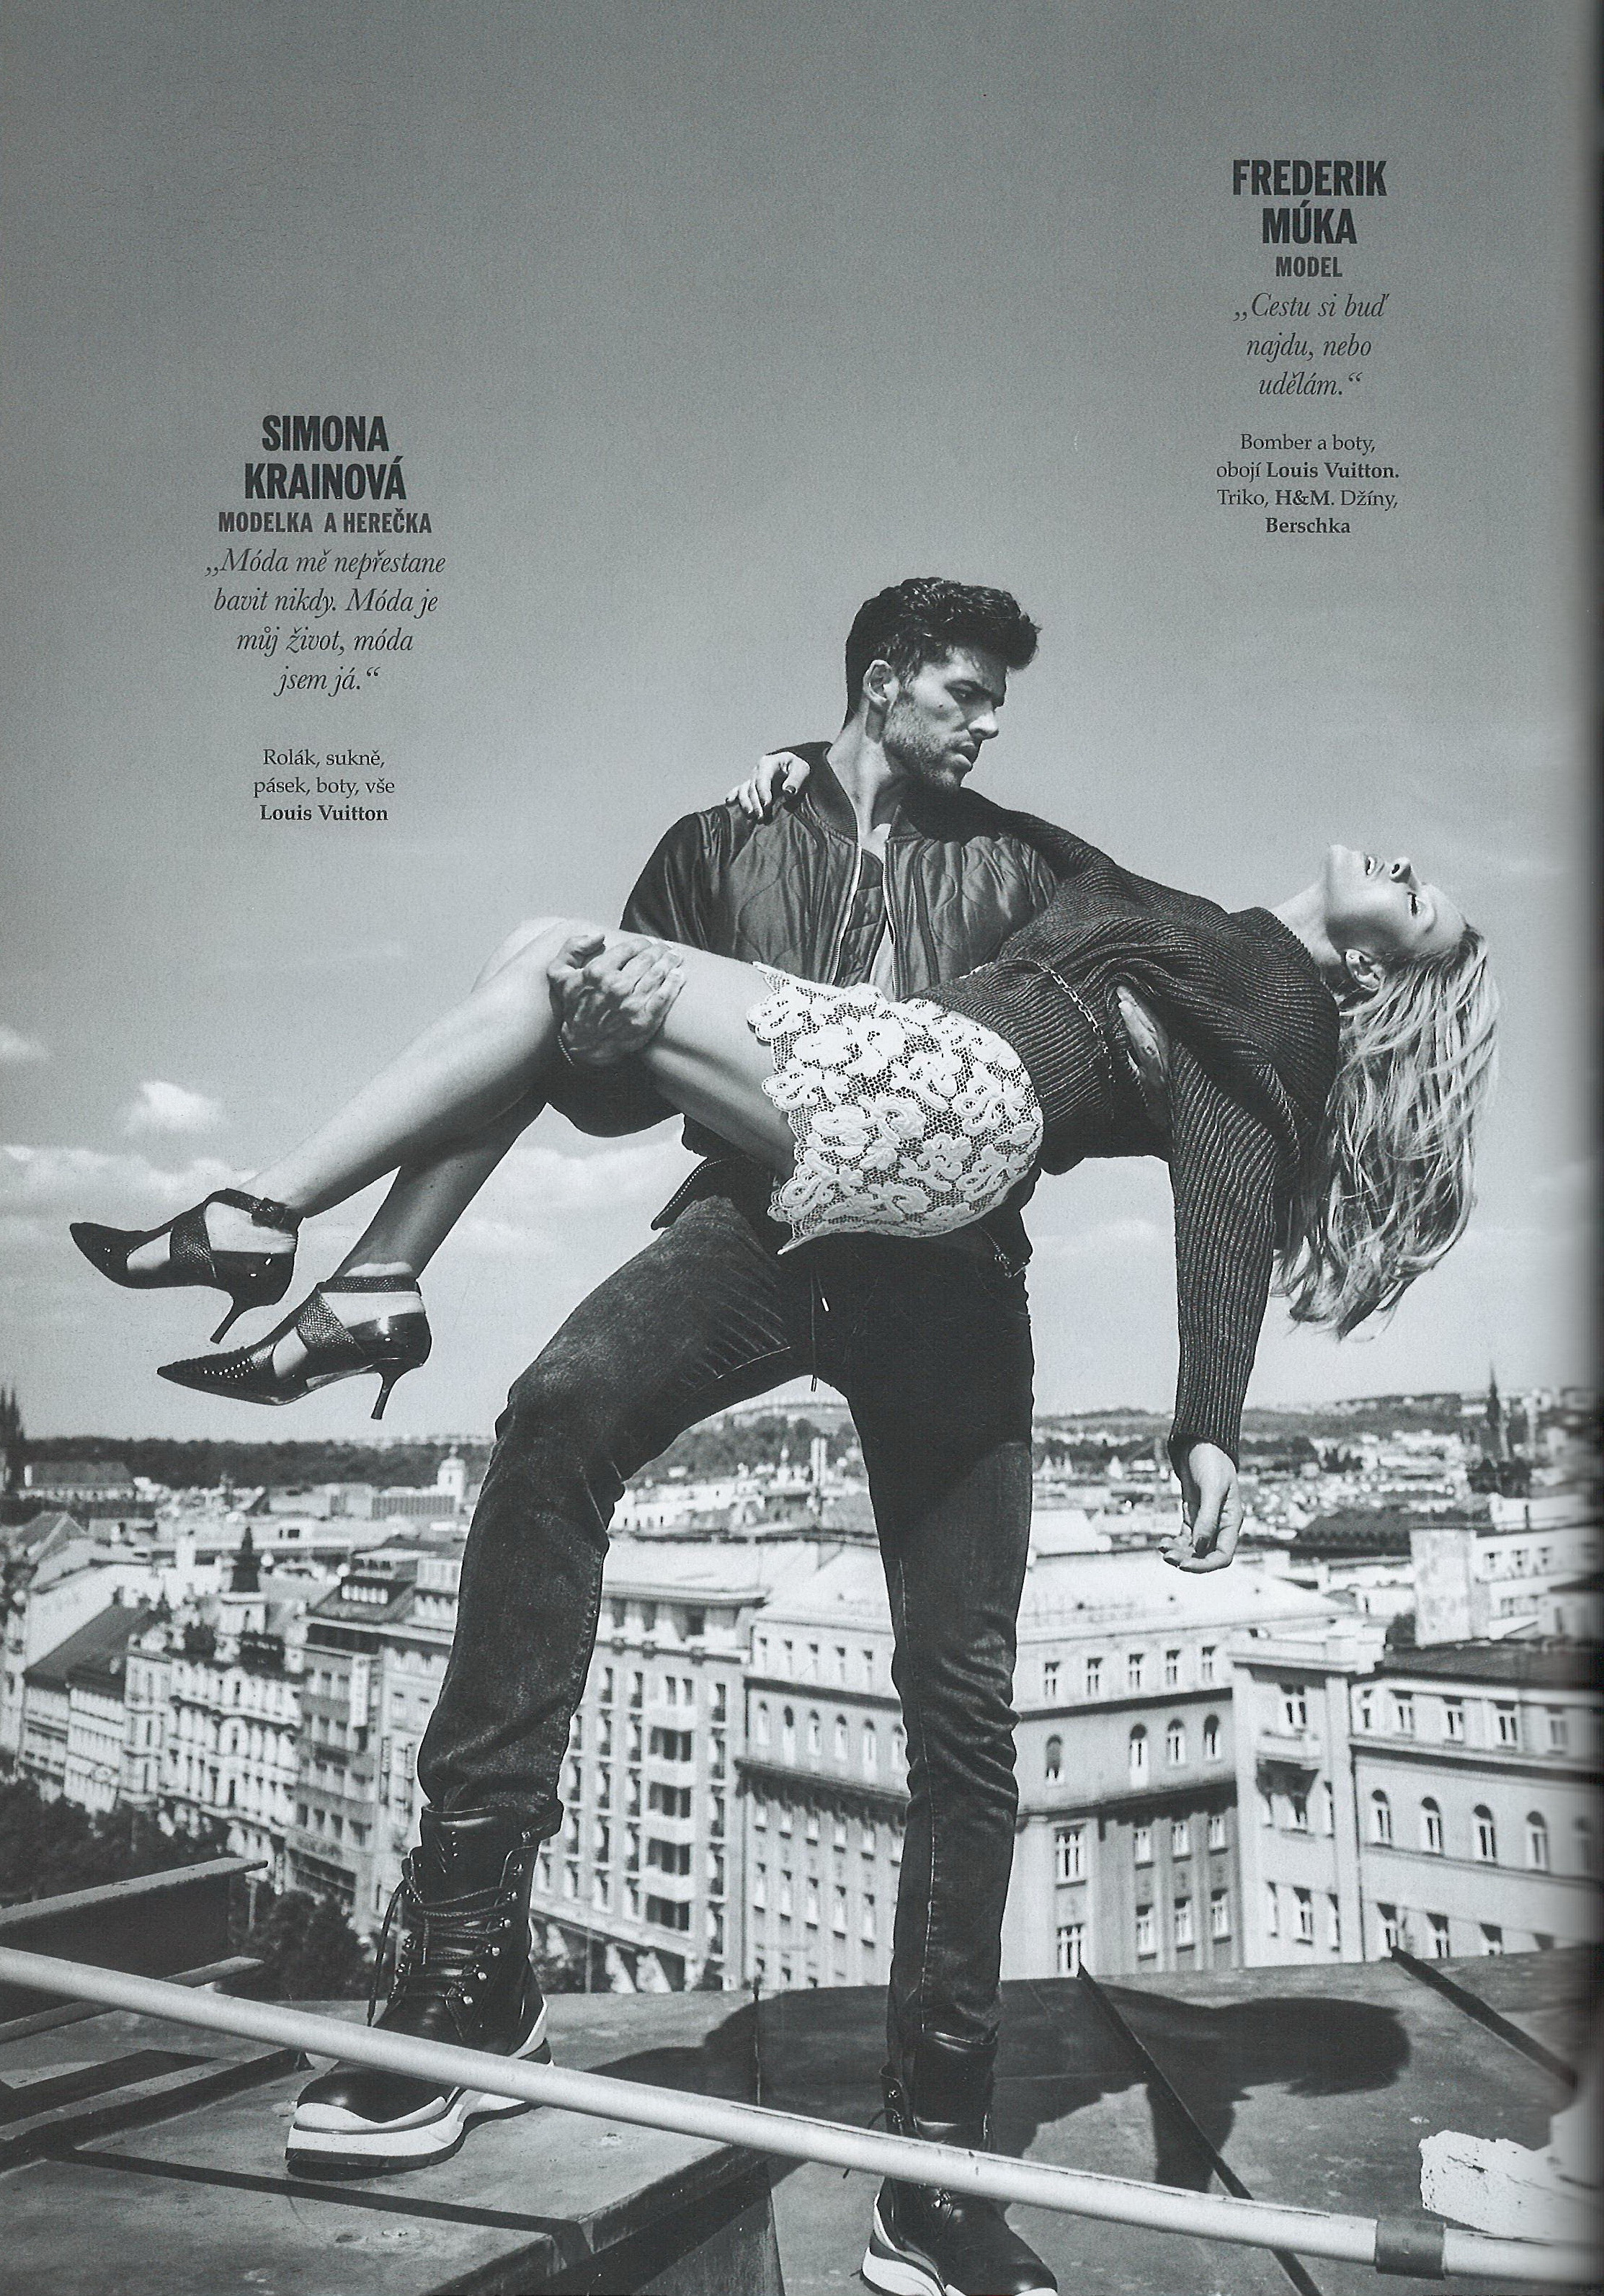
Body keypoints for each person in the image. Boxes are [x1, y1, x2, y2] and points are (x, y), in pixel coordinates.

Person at [76, 577, 1085, 2296]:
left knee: (962, 1707)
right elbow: (602, 1088)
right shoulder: (721, 839)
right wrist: (617, 1045)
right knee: (551, 1418)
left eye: (999, 702)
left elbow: (1065, 1068)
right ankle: (468, 1971)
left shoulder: (1028, 871)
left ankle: (936, 2153)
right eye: (967, 693)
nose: (990, 724)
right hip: (760, 1229)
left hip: (951, 1277)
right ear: (881, 680)